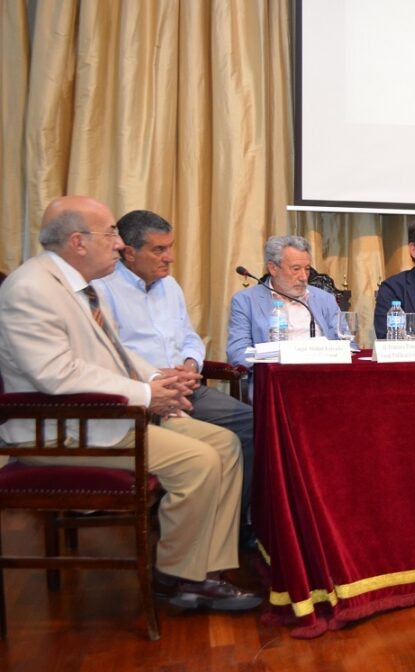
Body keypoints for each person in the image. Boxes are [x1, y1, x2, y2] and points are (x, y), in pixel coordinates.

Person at [0, 196, 260, 611]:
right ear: (77, 241)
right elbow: (56, 373)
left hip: (108, 416)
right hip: (63, 431)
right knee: (198, 461)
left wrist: (160, 380)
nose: (119, 244)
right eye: (111, 234)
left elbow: (116, 353)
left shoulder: (77, 286)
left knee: (226, 446)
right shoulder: (31, 290)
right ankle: (176, 578)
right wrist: (146, 395)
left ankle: (206, 569)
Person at [92, 210, 256, 549]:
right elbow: (108, 353)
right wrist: (158, 378)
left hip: (187, 387)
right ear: (128, 251)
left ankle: (236, 527)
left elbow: (189, 336)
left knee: (252, 422)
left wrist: (189, 363)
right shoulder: (102, 289)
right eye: (158, 250)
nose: (169, 257)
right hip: (144, 397)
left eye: (171, 247)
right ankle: (189, 536)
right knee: (208, 447)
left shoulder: (170, 286)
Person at [226, 235, 339, 366]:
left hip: (323, 376)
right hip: (276, 379)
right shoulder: (245, 301)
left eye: (307, 269)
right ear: (273, 268)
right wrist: (272, 364)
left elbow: (347, 343)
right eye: (296, 269)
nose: (303, 277)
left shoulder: (325, 299)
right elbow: (238, 353)